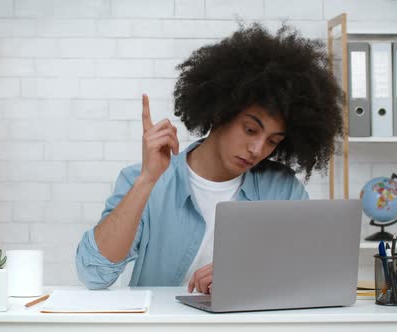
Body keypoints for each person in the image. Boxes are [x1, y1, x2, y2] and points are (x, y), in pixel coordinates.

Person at [75, 23, 343, 294]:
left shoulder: (282, 189)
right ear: (219, 112)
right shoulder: (142, 180)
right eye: (250, 130)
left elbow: (312, 272)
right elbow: (93, 275)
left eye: (273, 141)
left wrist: (246, 273)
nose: (258, 149)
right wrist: (147, 180)